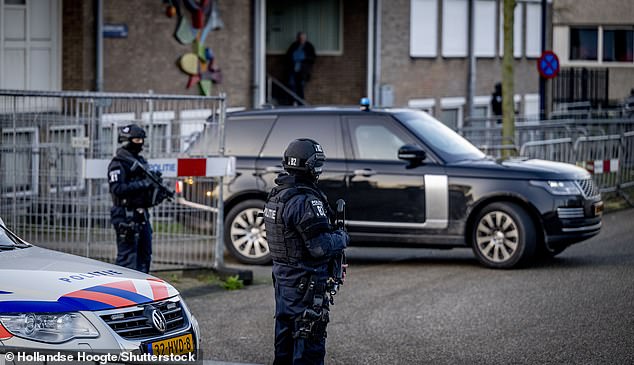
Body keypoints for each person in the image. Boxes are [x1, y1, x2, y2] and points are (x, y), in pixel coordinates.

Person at [263, 138, 349, 365]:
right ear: (310, 166)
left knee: (284, 346)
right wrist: (342, 237)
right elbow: (319, 247)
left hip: (284, 284)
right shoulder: (305, 201)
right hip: (306, 287)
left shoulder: (276, 196)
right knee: (308, 348)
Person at [108, 124, 168, 273]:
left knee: (144, 256)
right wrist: (143, 184)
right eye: (136, 139)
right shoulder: (118, 164)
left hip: (142, 215)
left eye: (142, 139)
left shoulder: (140, 161)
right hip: (125, 215)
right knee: (127, 259)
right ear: (126, 140)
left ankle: (142, 293)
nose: (140, 143)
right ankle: (122, 294)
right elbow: (117, 189)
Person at [285, 32, 316, 103]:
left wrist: (304, 57)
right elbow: (287, 56)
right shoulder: (294, 45)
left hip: (303, 71)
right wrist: (293, 58)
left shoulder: (309, 46)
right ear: (298, 38)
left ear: (306, 38)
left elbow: (313, 58)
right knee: (291, 85)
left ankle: (300, 103)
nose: (302, 40)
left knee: (301, 86)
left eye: (303, 38)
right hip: (292, 70)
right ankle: (292, 102)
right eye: (300, 38)